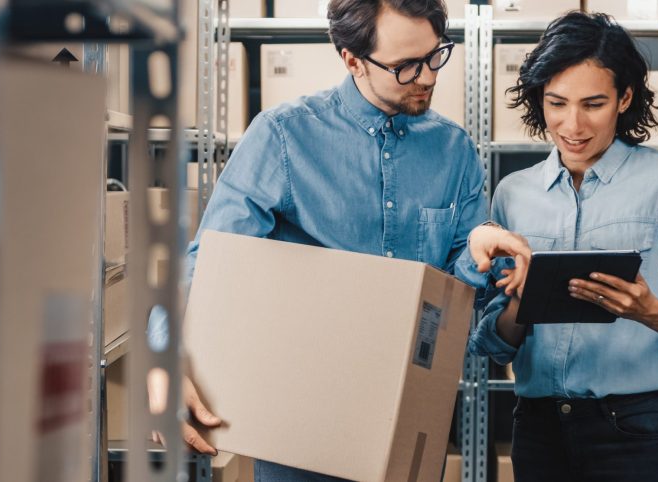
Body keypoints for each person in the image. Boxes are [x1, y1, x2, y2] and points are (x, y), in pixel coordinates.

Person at [163, 0, 532, 479]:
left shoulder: (454, 150)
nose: (427, 77)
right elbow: (208, 266)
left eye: (434, 55)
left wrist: (479, 251)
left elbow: (461, 295)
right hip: (301, 425)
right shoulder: (282, 137)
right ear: (351, 59)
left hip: (413, 417)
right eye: (404, 67)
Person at [465, 11, 658, 482]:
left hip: (637, 427)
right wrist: (520, 302)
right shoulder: (512, 193)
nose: (572, 124)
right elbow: (492, 344)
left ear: (624, 98)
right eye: (556, 103)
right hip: (539, 428)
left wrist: (650, 311)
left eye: (593, 104)